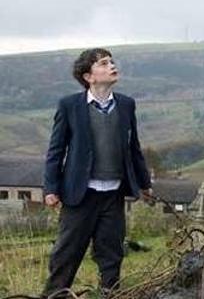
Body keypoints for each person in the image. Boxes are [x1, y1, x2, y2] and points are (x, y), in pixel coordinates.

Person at [42, 48, 153, 298]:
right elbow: (56, 150)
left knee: (111, 254)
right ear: (88, 76)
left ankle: (110, 295)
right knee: (66, 255)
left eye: (112, 61)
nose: (112, 66)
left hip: (114, 194)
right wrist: (51, 189)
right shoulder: (70, 105)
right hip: (80, 195)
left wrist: (144, 183)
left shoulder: (126, 104)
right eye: (103, 63)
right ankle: (54, 296)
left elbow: (133, 146)